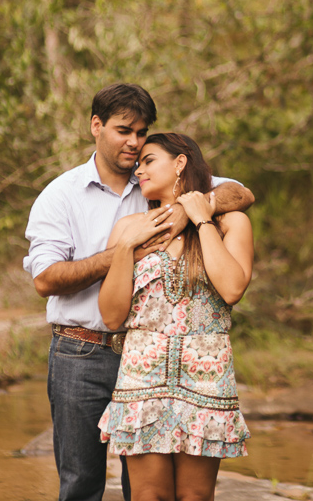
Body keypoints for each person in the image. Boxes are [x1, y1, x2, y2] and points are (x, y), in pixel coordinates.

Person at [24, 84, 254, 501]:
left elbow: (241, 192)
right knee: (80, 483)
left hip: (164, 358)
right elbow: (45, 279)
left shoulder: (154, 180)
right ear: (96, 126)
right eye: (123, 131)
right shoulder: (62, 195)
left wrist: (188, 210)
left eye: (142, 133)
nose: (134, 143)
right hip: (83, 354)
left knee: (145, 493)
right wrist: (123, 251)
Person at [96, 132, 254, 501]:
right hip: (142, 373)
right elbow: (111, 315)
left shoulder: (231, 223)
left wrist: (201, 219)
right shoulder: (128, 227)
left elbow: (232, 289)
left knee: (195, 498)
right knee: (149, 496)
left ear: (180, 163)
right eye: (138, 164)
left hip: (206, 375)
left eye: (149, 160)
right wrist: (127, 248)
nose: (139, 171)